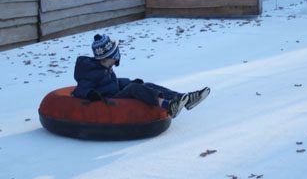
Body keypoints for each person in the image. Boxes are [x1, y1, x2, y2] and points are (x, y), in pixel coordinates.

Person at [72, 34, 210, 119]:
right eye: (115, 56)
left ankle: (182, 98)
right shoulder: (90, 72)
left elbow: (113, 82)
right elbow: (80, 89)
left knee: (146, 85)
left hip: (116, 94)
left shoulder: (106, 67)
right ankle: (168, 107)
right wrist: (91, 94)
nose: (116, 60)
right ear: (108, 57)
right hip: (110, 101)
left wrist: (130, 82)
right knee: (134, 88)